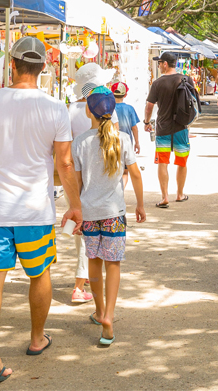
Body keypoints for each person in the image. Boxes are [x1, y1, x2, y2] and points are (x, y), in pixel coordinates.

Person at [0, 37, 83, 383]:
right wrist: (75, 206)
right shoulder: (55, 108)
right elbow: (65, 162)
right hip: (35, 211)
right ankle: (36, 338)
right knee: (39, 273)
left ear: (11, 64)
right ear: (43, 67)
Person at [72, 86, 146, 346]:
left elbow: (77, 183)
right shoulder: (123, 139)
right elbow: (135, 174)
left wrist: (78, 212)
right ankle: (109, 318)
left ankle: (99, 310)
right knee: (113, 264)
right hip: (115, 213)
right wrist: (140, 204)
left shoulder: (79, 142)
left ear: (88, 110)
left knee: (93, 260)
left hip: (90, 213)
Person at [68, 63, 119, 304]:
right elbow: (116, 148)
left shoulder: (70, 109)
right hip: (104, 186)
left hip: (77, 180)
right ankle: (79, 286)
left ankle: (85, 281)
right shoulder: (108, 108)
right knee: (91, 243)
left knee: (83, 235)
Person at [144, 52, 196, 208]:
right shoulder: (186, 79)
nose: (159, 66)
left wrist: (147, 122)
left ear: (165, 63)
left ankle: (165, 197)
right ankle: (180, 194)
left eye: (159, 63)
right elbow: (192, 103)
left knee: (163, 162)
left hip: (163, 128)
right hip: (181, 128)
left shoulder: (158, 83)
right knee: (182, 162)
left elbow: (149, 106)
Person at [112, 81, 141, 187]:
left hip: (111, 142)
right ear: (125, 94)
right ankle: (121, 189)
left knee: (113, 171)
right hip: (126, 144)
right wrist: (137, 143)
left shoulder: (109, 108)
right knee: (125, 172)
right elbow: (134, 128)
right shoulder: (130, 109)